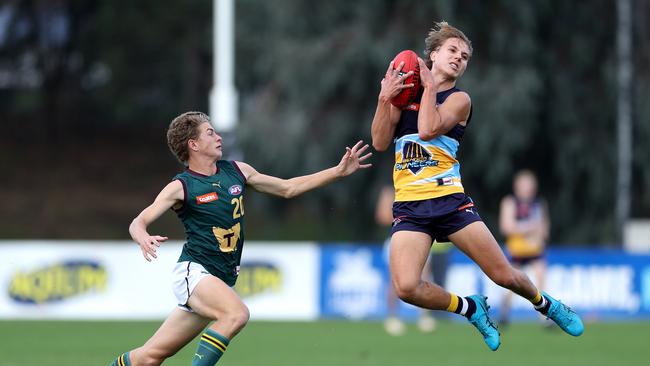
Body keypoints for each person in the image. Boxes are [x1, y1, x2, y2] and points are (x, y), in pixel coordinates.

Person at [370, 21, 583, 351]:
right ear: (433, 54)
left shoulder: (460, 100)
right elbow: (380, 141)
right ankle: (470, 308)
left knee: (504, 276)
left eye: (465, 56)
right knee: (406, 287)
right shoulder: (406, 96)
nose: (459, 58)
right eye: (453, 51)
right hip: (411, 206)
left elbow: (427, 130)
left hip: (449, 201)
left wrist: (427, 88)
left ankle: (547, 305)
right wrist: (386, 99)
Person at [109, 111, 372, 366]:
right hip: (193, 273)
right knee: (236, 314)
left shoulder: (237, 170)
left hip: (218, 279)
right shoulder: (182, 186)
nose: (218, 137)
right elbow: (138, 221)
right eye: (210, 133)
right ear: (194, 144)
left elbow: (288, 188)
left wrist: (336, 172)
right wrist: (142, 236)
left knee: (149, 357)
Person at [376, 185, 449, 335]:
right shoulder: (390, 191)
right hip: (395, 240)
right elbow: (382, 216)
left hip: (418, 239)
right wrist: (407, 215)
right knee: (394, 280)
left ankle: (424, 316)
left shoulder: (418, 186)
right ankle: (392, 317)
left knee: (424, 276)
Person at [498, 170, 550, 327]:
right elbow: (506, 227)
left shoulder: (539, 204)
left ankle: (544, 317)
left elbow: (544, 229)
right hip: (516, 251)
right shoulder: (510, 202)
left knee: (541, 280)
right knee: (511, 284)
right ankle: (504, 312)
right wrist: (527, 228)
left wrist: (538, 236)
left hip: (535, 251)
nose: (527, 189)